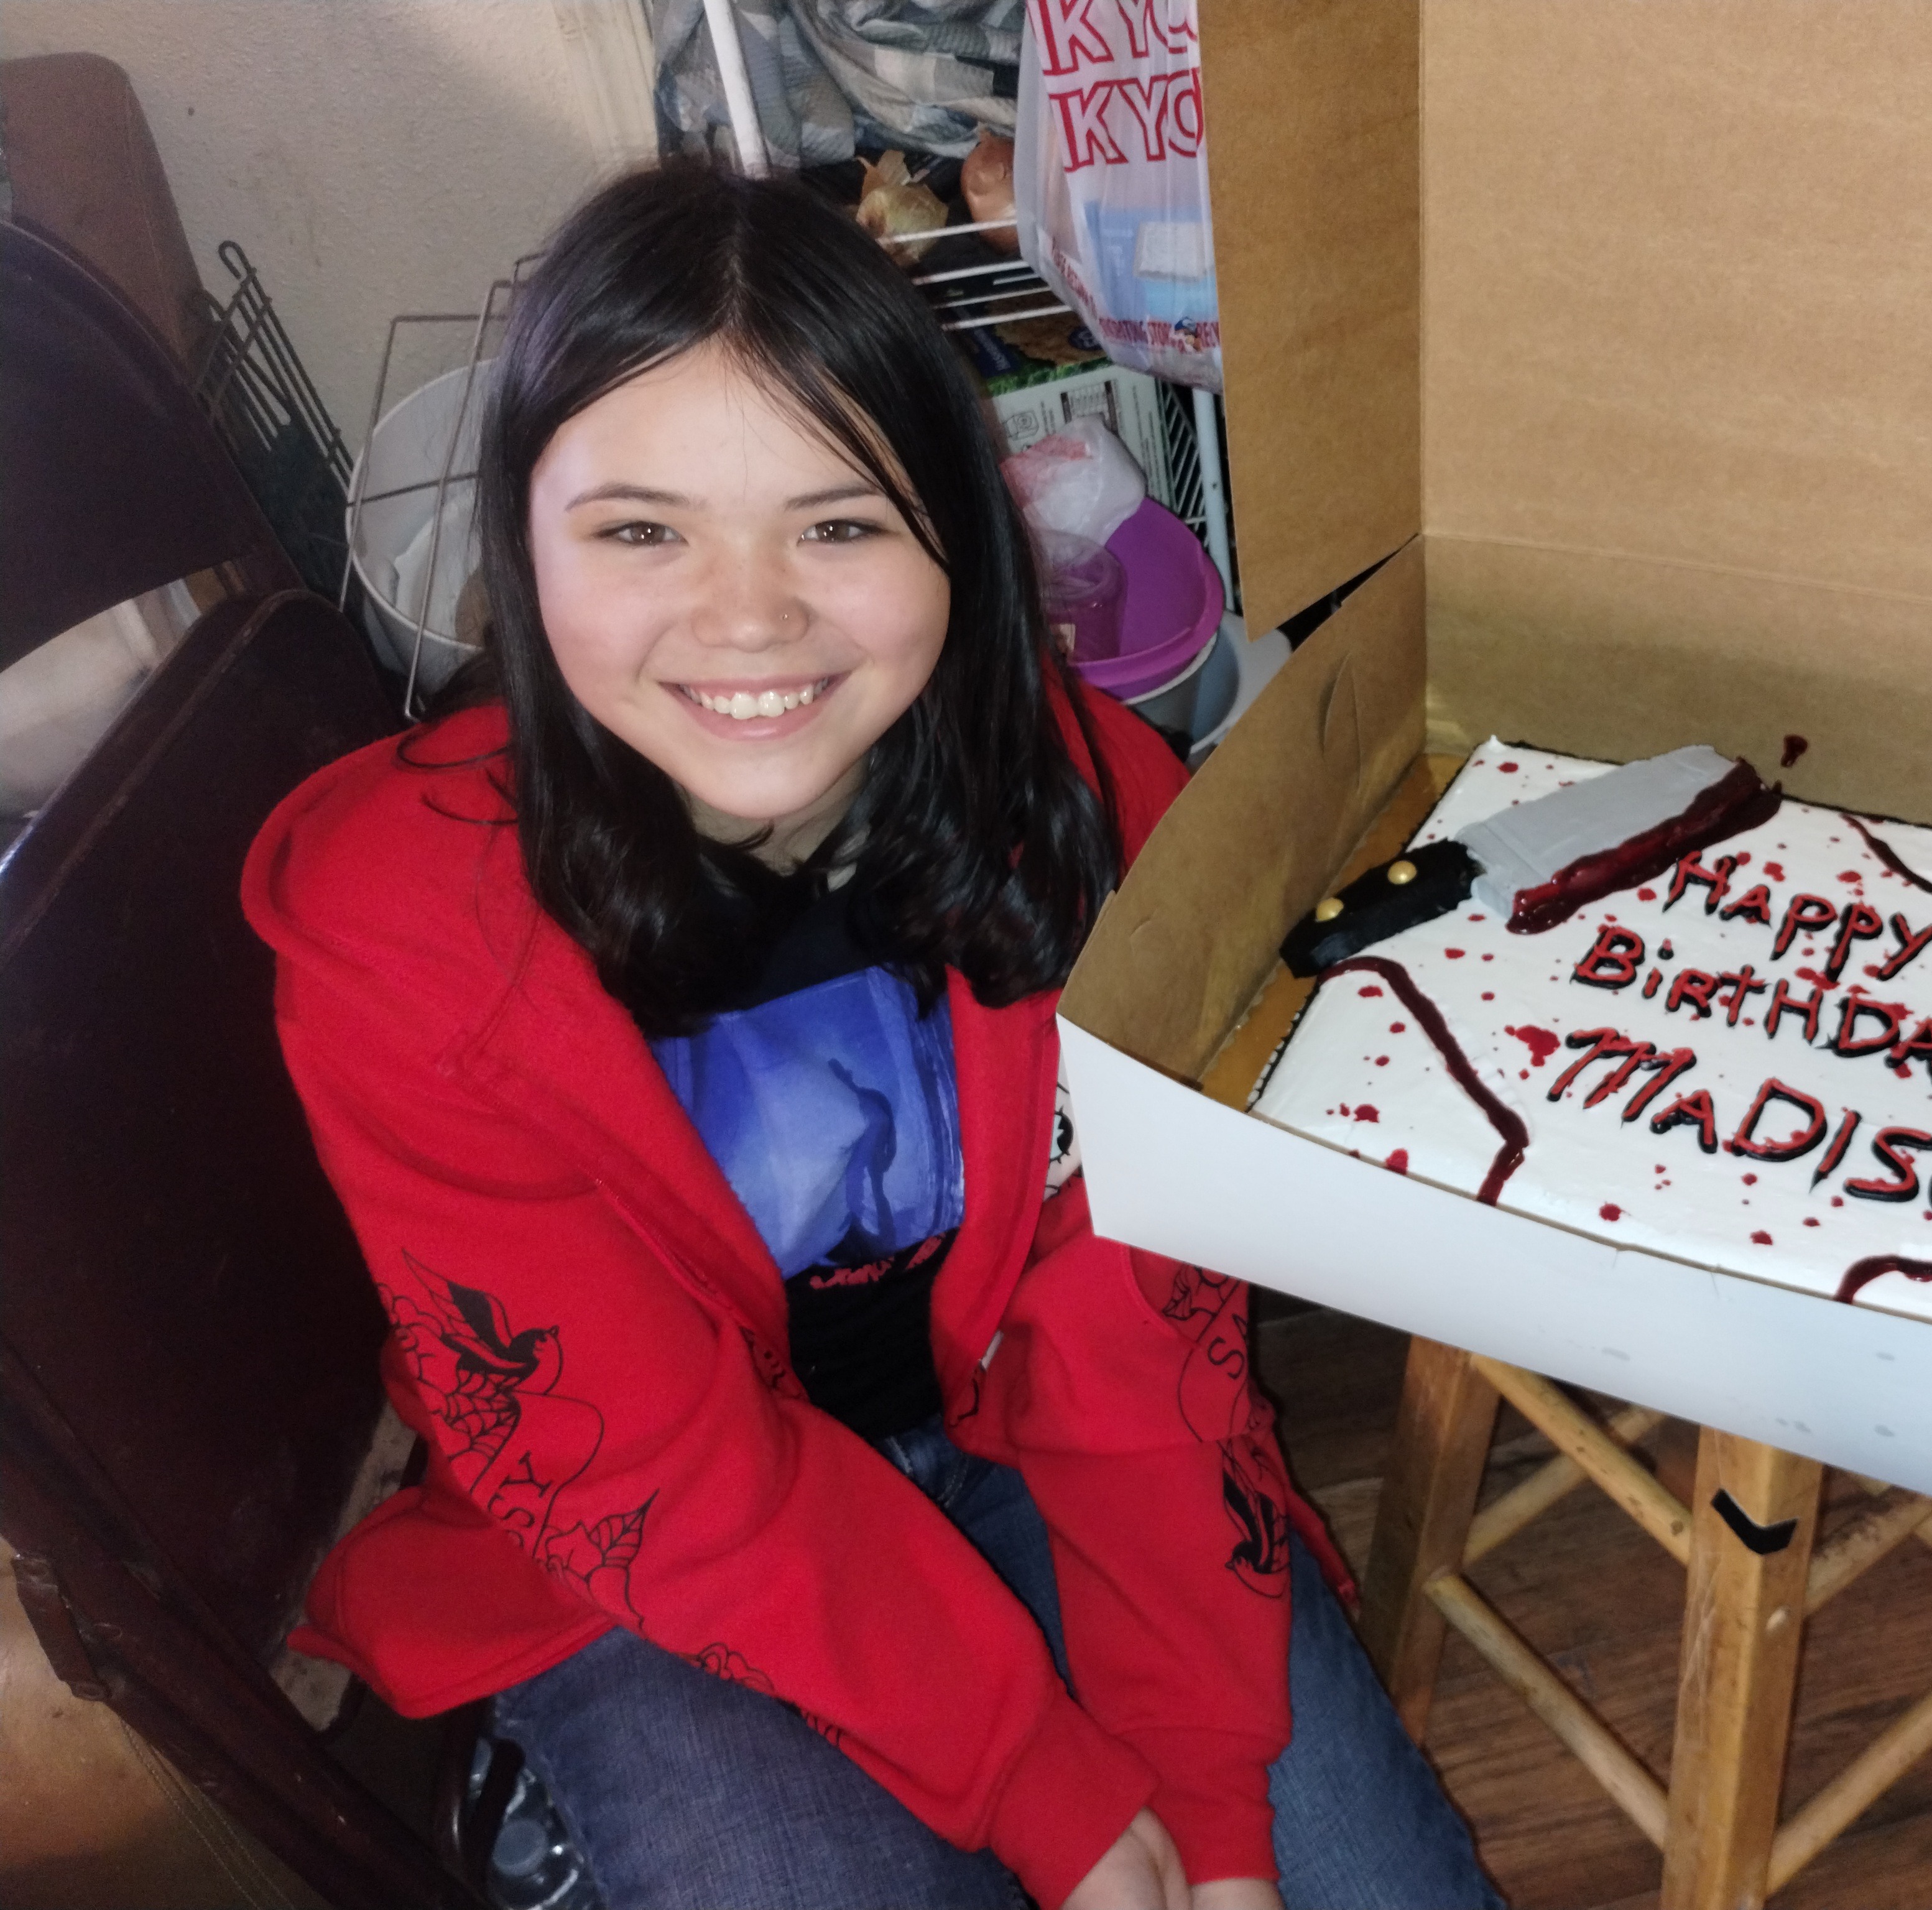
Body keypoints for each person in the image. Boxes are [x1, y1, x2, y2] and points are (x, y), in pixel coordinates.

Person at [244, 163, 1498, 1910]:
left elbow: (1135, 1345)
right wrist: (1041, 1786)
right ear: (520, 549)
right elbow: (647, 1462)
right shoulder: (404, 937)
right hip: (654, 1545)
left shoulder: (1095, 813)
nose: (748, 617)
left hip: (1026, 1445)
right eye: (640, 531)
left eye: (838, 524)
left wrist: (1206, 1805)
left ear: (959, 541)